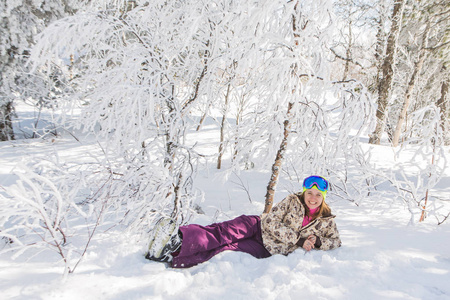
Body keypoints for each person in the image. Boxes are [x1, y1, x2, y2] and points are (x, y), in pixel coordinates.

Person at [145, 175, 341, 268]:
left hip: (267, 248)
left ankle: (174, 256)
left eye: (317, 195)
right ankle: (178, 238)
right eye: (309, 193)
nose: (312, 198)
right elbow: (272, 220)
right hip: (256, 225)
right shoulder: (292, 201)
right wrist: (298, 240)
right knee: (220, 234)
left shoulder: (326, 220)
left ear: (323, 197)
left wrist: (317, 242)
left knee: (223, 250)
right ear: (304, 192)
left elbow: (336, 241)